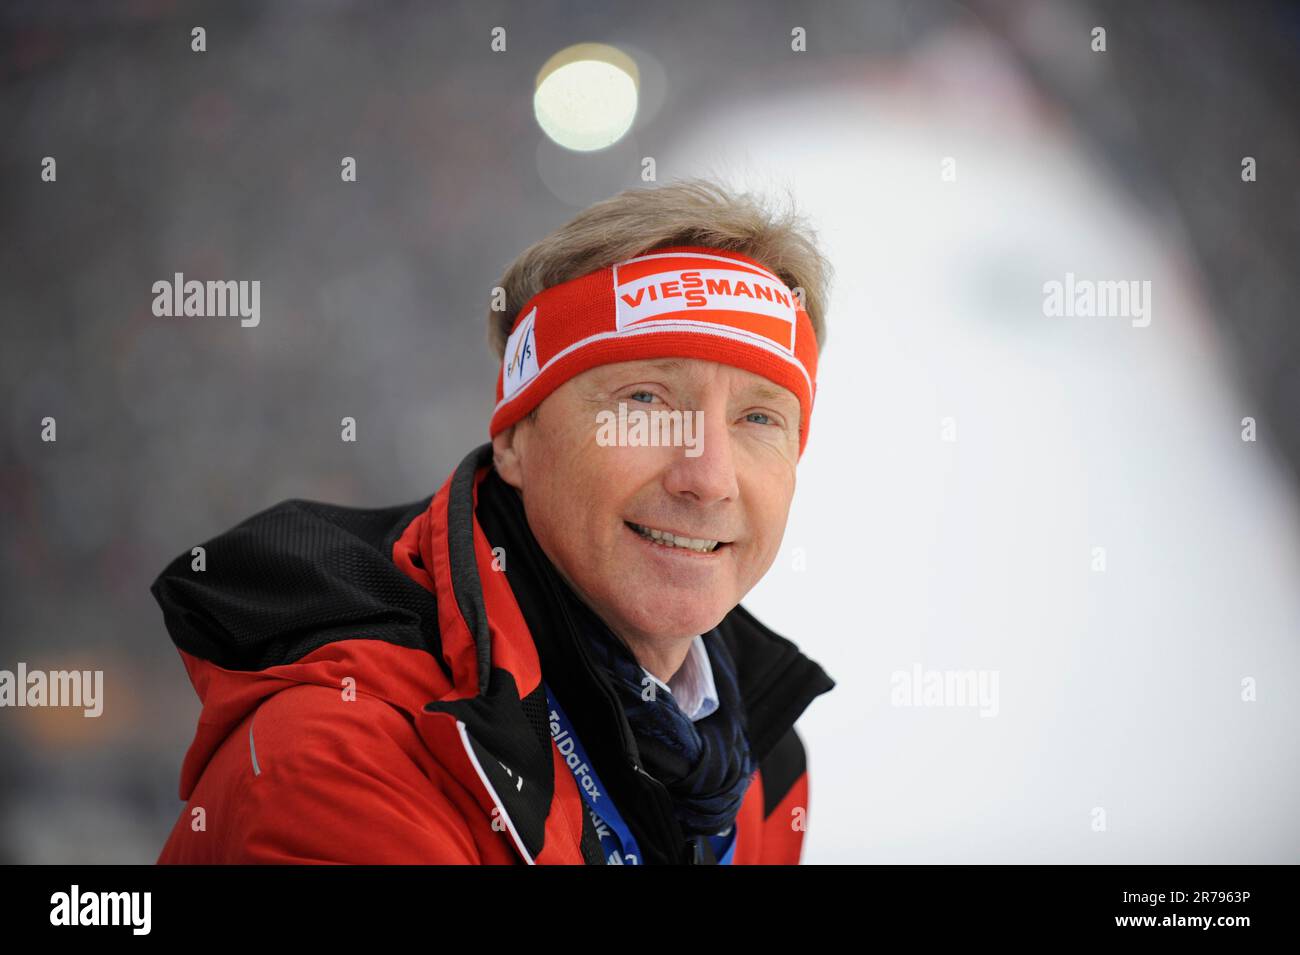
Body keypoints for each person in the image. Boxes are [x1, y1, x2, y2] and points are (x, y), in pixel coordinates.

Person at [152, 178, 836, 865]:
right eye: (647, 399)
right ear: (515, 436)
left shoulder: (762, 766)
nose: (708, 476)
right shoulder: (345, 756)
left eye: (758, 418)